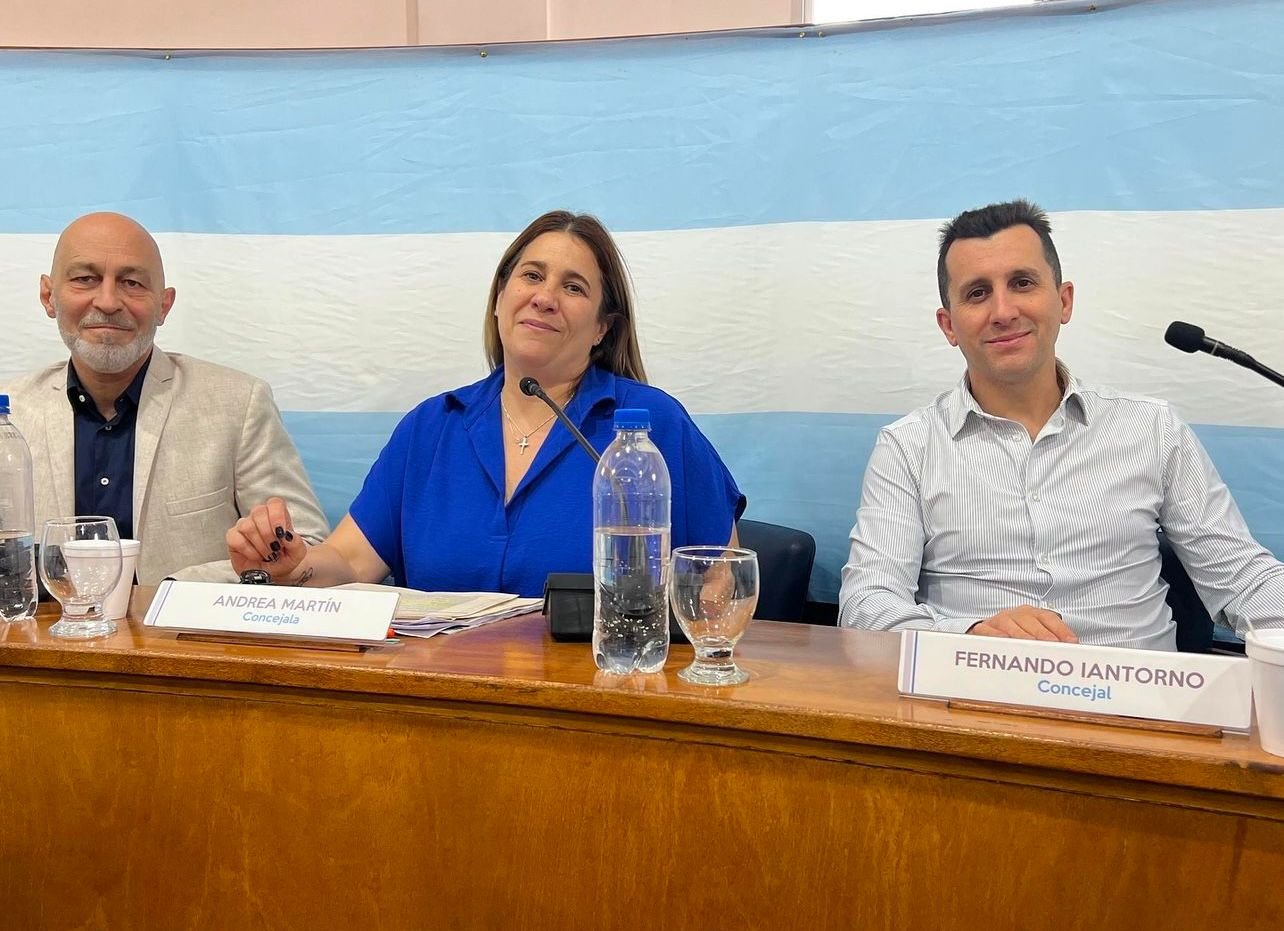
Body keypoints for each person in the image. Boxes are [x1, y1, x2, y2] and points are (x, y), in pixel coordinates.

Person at [839, 199, 1284, 650]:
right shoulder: (908, 447)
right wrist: (970, 635)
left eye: (1022, 283)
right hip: (975, 684)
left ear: (1064, 301)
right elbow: (866, 606)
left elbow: (1244, 579)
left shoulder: (1153, 429)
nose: (1003, 311)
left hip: (1134, 688)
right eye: (977, 293)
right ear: (949, 325)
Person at [227, 210, 744, 595]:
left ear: (602, 329)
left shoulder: (651, 426)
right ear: (499, 299)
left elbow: (721, 577)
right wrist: (294, 567)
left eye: (573, 288)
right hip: (442, 693)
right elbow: (349, 561)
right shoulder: (431, 428)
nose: (545, 297)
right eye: (532, 276)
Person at [3, 212, 328, 584]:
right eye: (85, 279)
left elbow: (306, 549)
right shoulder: (11, 415)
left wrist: (171, 593)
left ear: (164, 305)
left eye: (132, 282)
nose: (107, 301)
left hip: (188, 621)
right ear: (49, 296)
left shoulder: (238, 404)